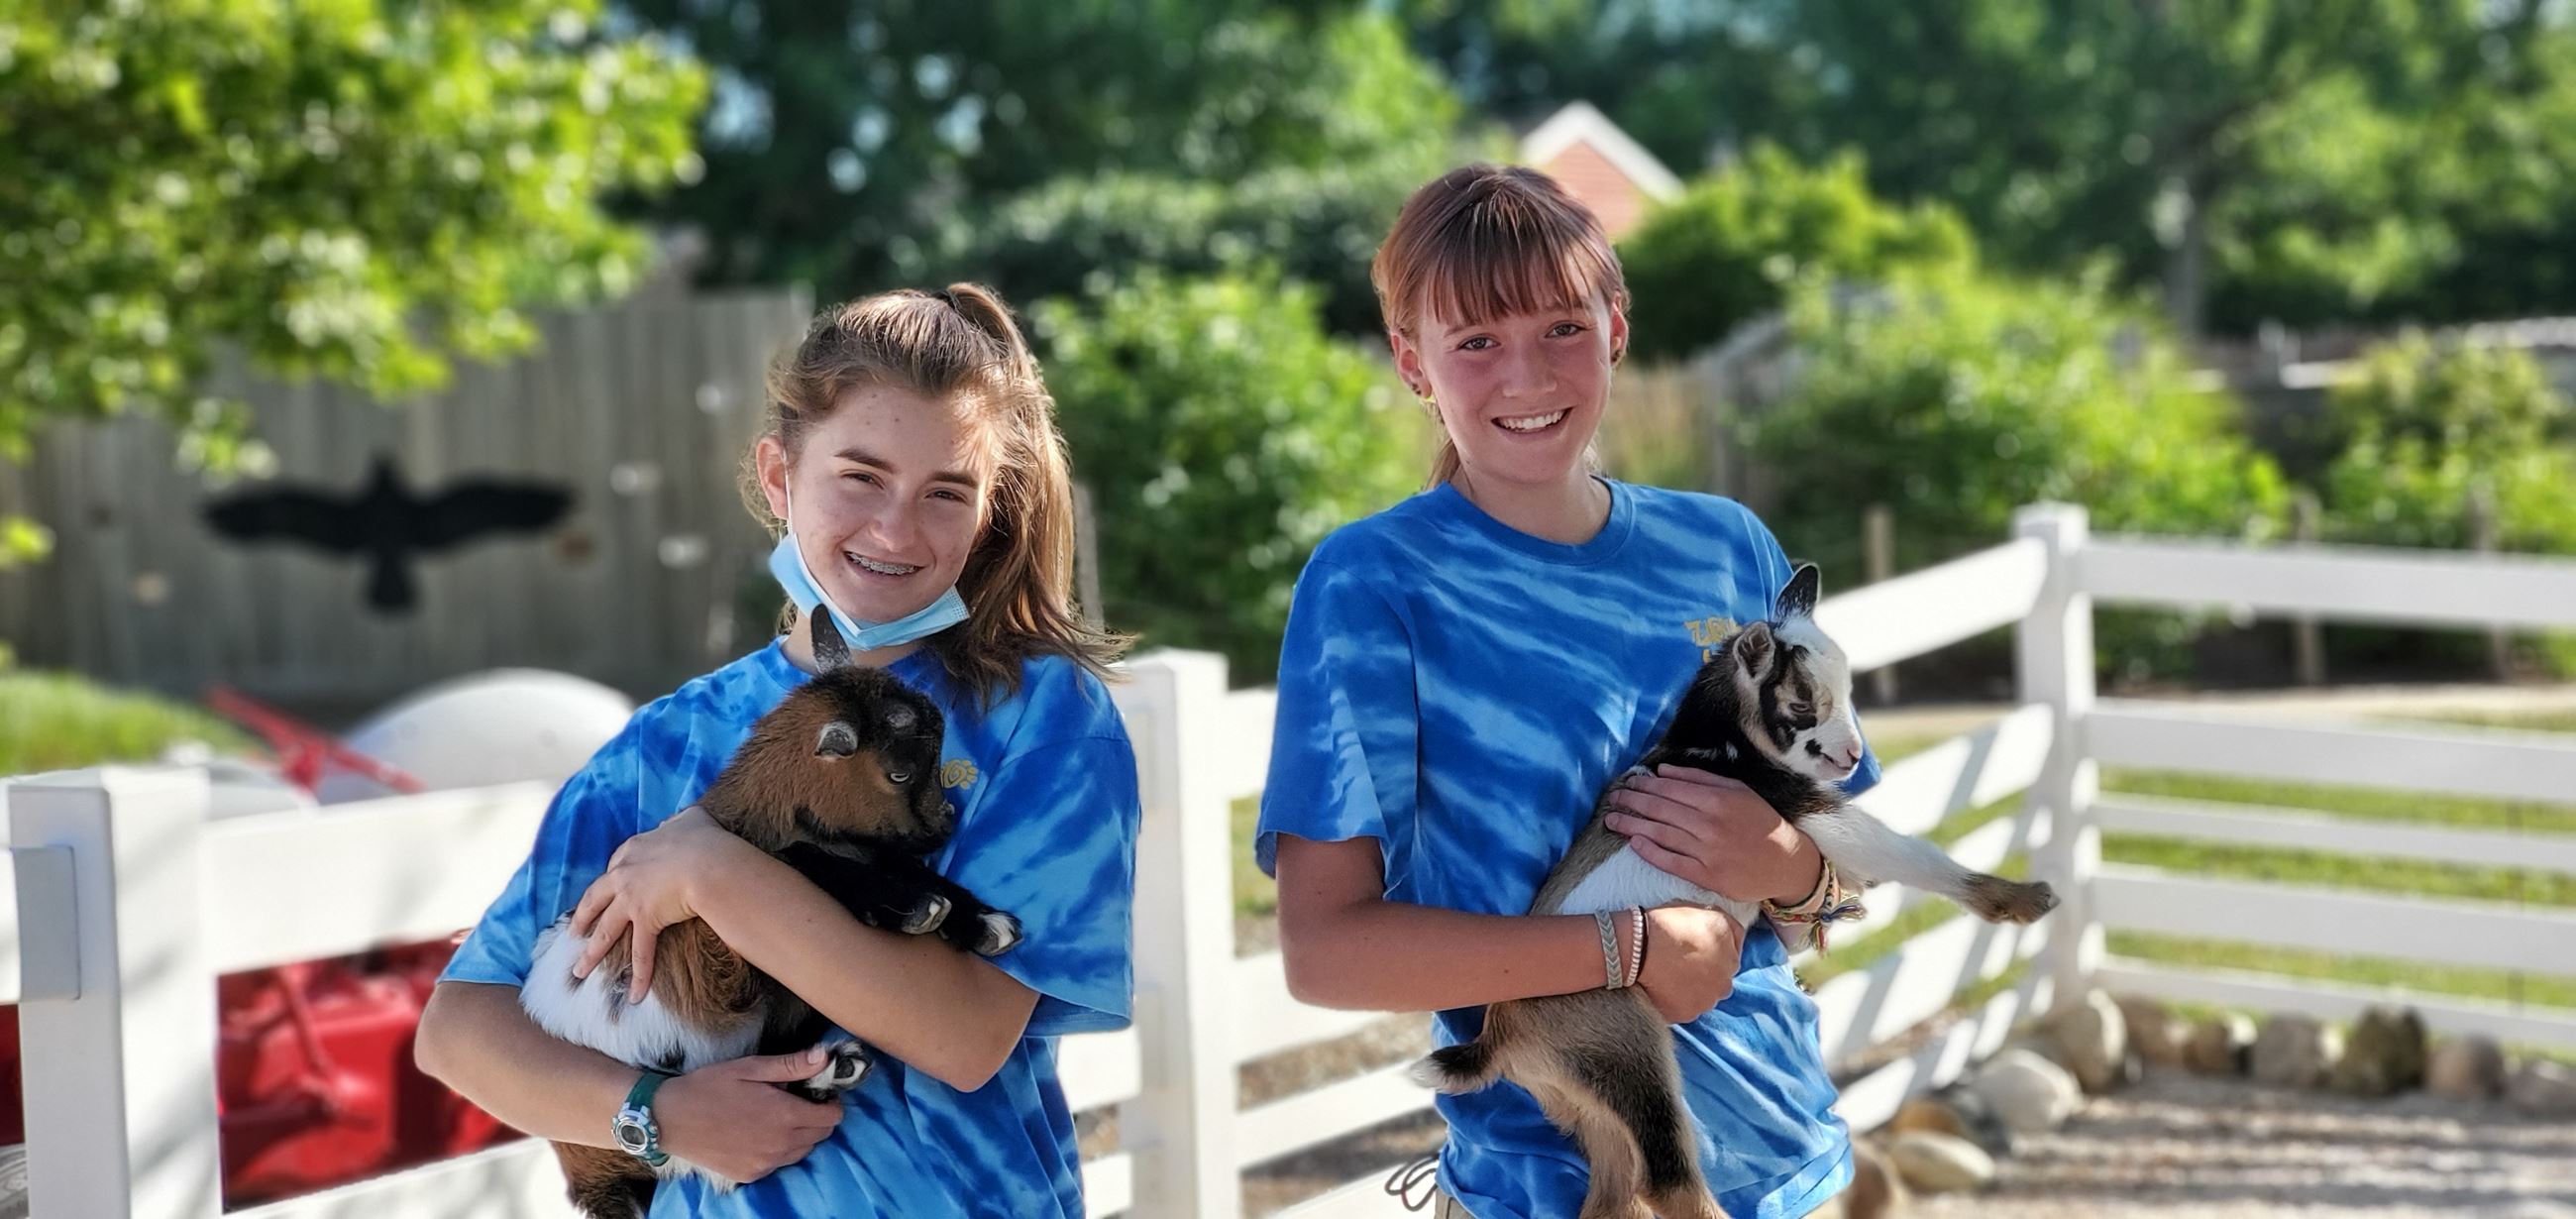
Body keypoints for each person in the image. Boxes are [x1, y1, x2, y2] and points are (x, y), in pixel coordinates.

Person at [415, 284, 1138, 1219]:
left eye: (945, 493)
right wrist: (656, 1115)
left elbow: (963, 1039)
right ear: (778, 475)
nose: (895, 528)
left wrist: (715, 874)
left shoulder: (1041, 716)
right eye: (861, 476)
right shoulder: (663, 745)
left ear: (990, 510)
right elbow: (461, 1030)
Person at [1258, 165, 1882, 1219]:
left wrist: (1780, 863)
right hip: (1553, 1187)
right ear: (1413, 364)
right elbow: (1323, 951)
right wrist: (1627, 948)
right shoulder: (1374, 586)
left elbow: (1838, 860)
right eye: (1474, 342)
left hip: (1791, 1161)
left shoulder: (1725, 548)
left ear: (1615, 328)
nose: (1524, 374)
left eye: (1559, 327)